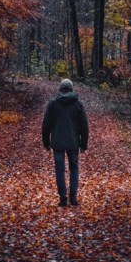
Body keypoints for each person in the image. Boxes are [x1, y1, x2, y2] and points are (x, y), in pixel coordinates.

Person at [42, 78, 88, 206]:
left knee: (59, 169)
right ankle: (73, 197)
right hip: (73, 142)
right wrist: (83, 144)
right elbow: (84, 125)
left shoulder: (53, 104)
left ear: (60, 89)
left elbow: (46, 124)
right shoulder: (78, 104)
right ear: (71, 88)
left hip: (57, 142)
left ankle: (63, 198)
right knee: (74, 168)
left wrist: (46, 143)